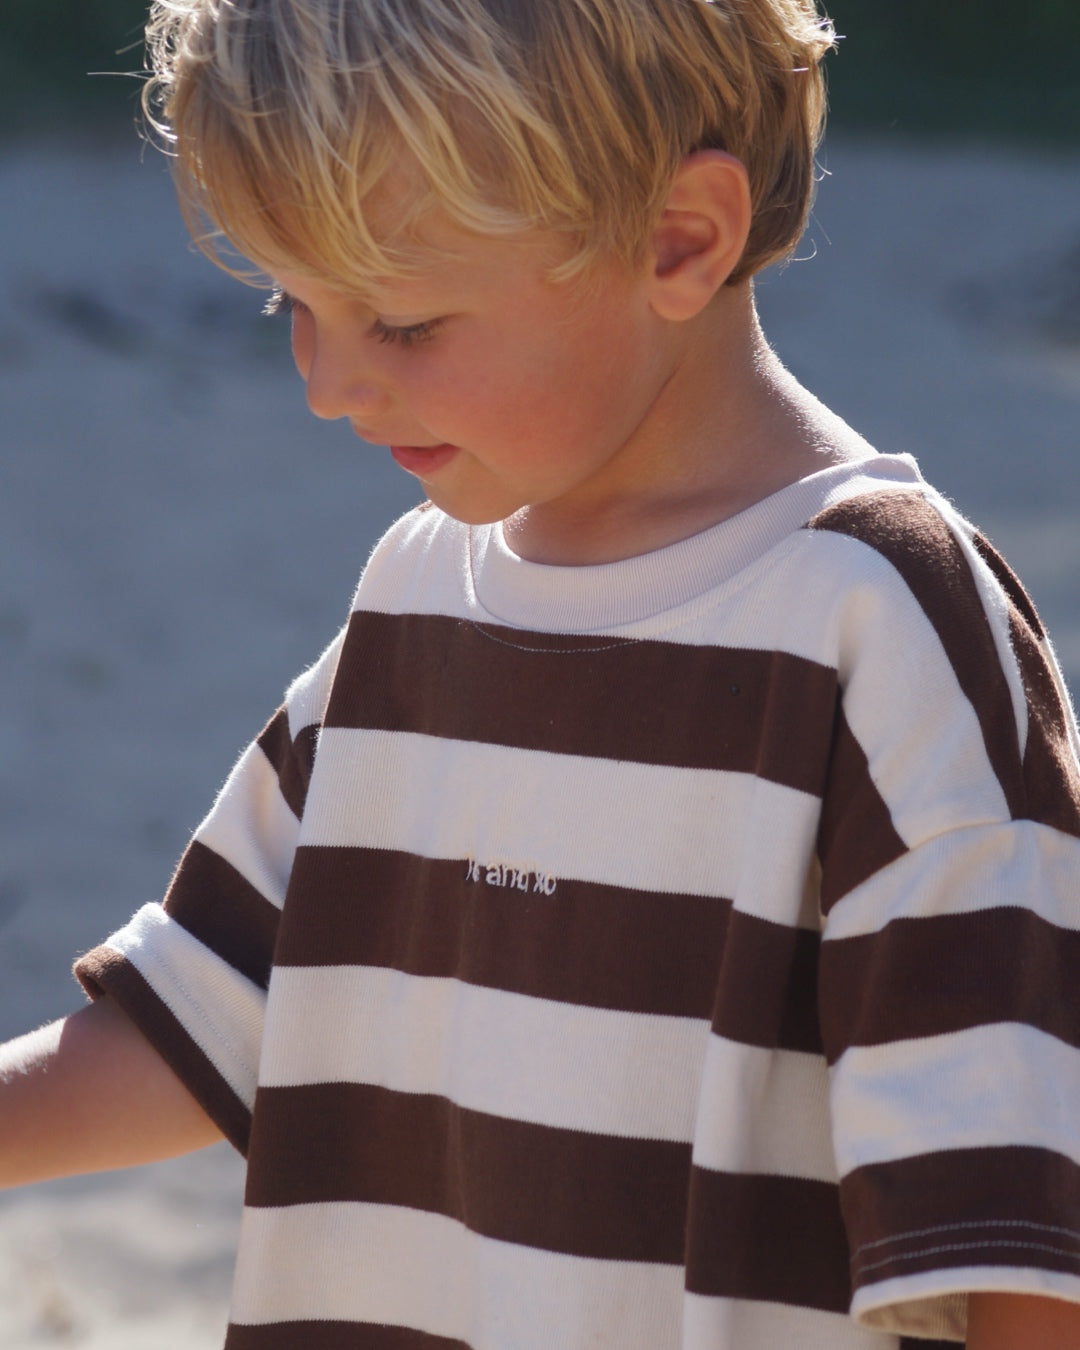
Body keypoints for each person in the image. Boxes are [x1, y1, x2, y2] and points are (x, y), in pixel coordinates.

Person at [2, 0, 1080, 1345]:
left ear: (681, 237)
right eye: (297, 303)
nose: (329, 383)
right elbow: (206, 1014)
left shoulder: (876, 624)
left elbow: (1009, 1212)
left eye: (400, 324)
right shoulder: (414, 602)